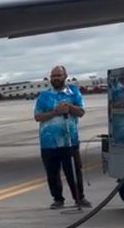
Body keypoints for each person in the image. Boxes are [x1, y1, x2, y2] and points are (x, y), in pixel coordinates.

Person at [33, 65, 91, 209]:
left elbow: (81, 112)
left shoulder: (73, 93)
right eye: (53, 76)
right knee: (52, 173)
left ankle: (79, 197)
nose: (56, 79)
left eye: (58, 75)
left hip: (69, 140)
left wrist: (70, 107)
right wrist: (55, 112)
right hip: (49, 142)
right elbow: (37, 116)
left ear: (65, 76)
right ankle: (58, 199)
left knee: (74, 171)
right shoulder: (44, 96)